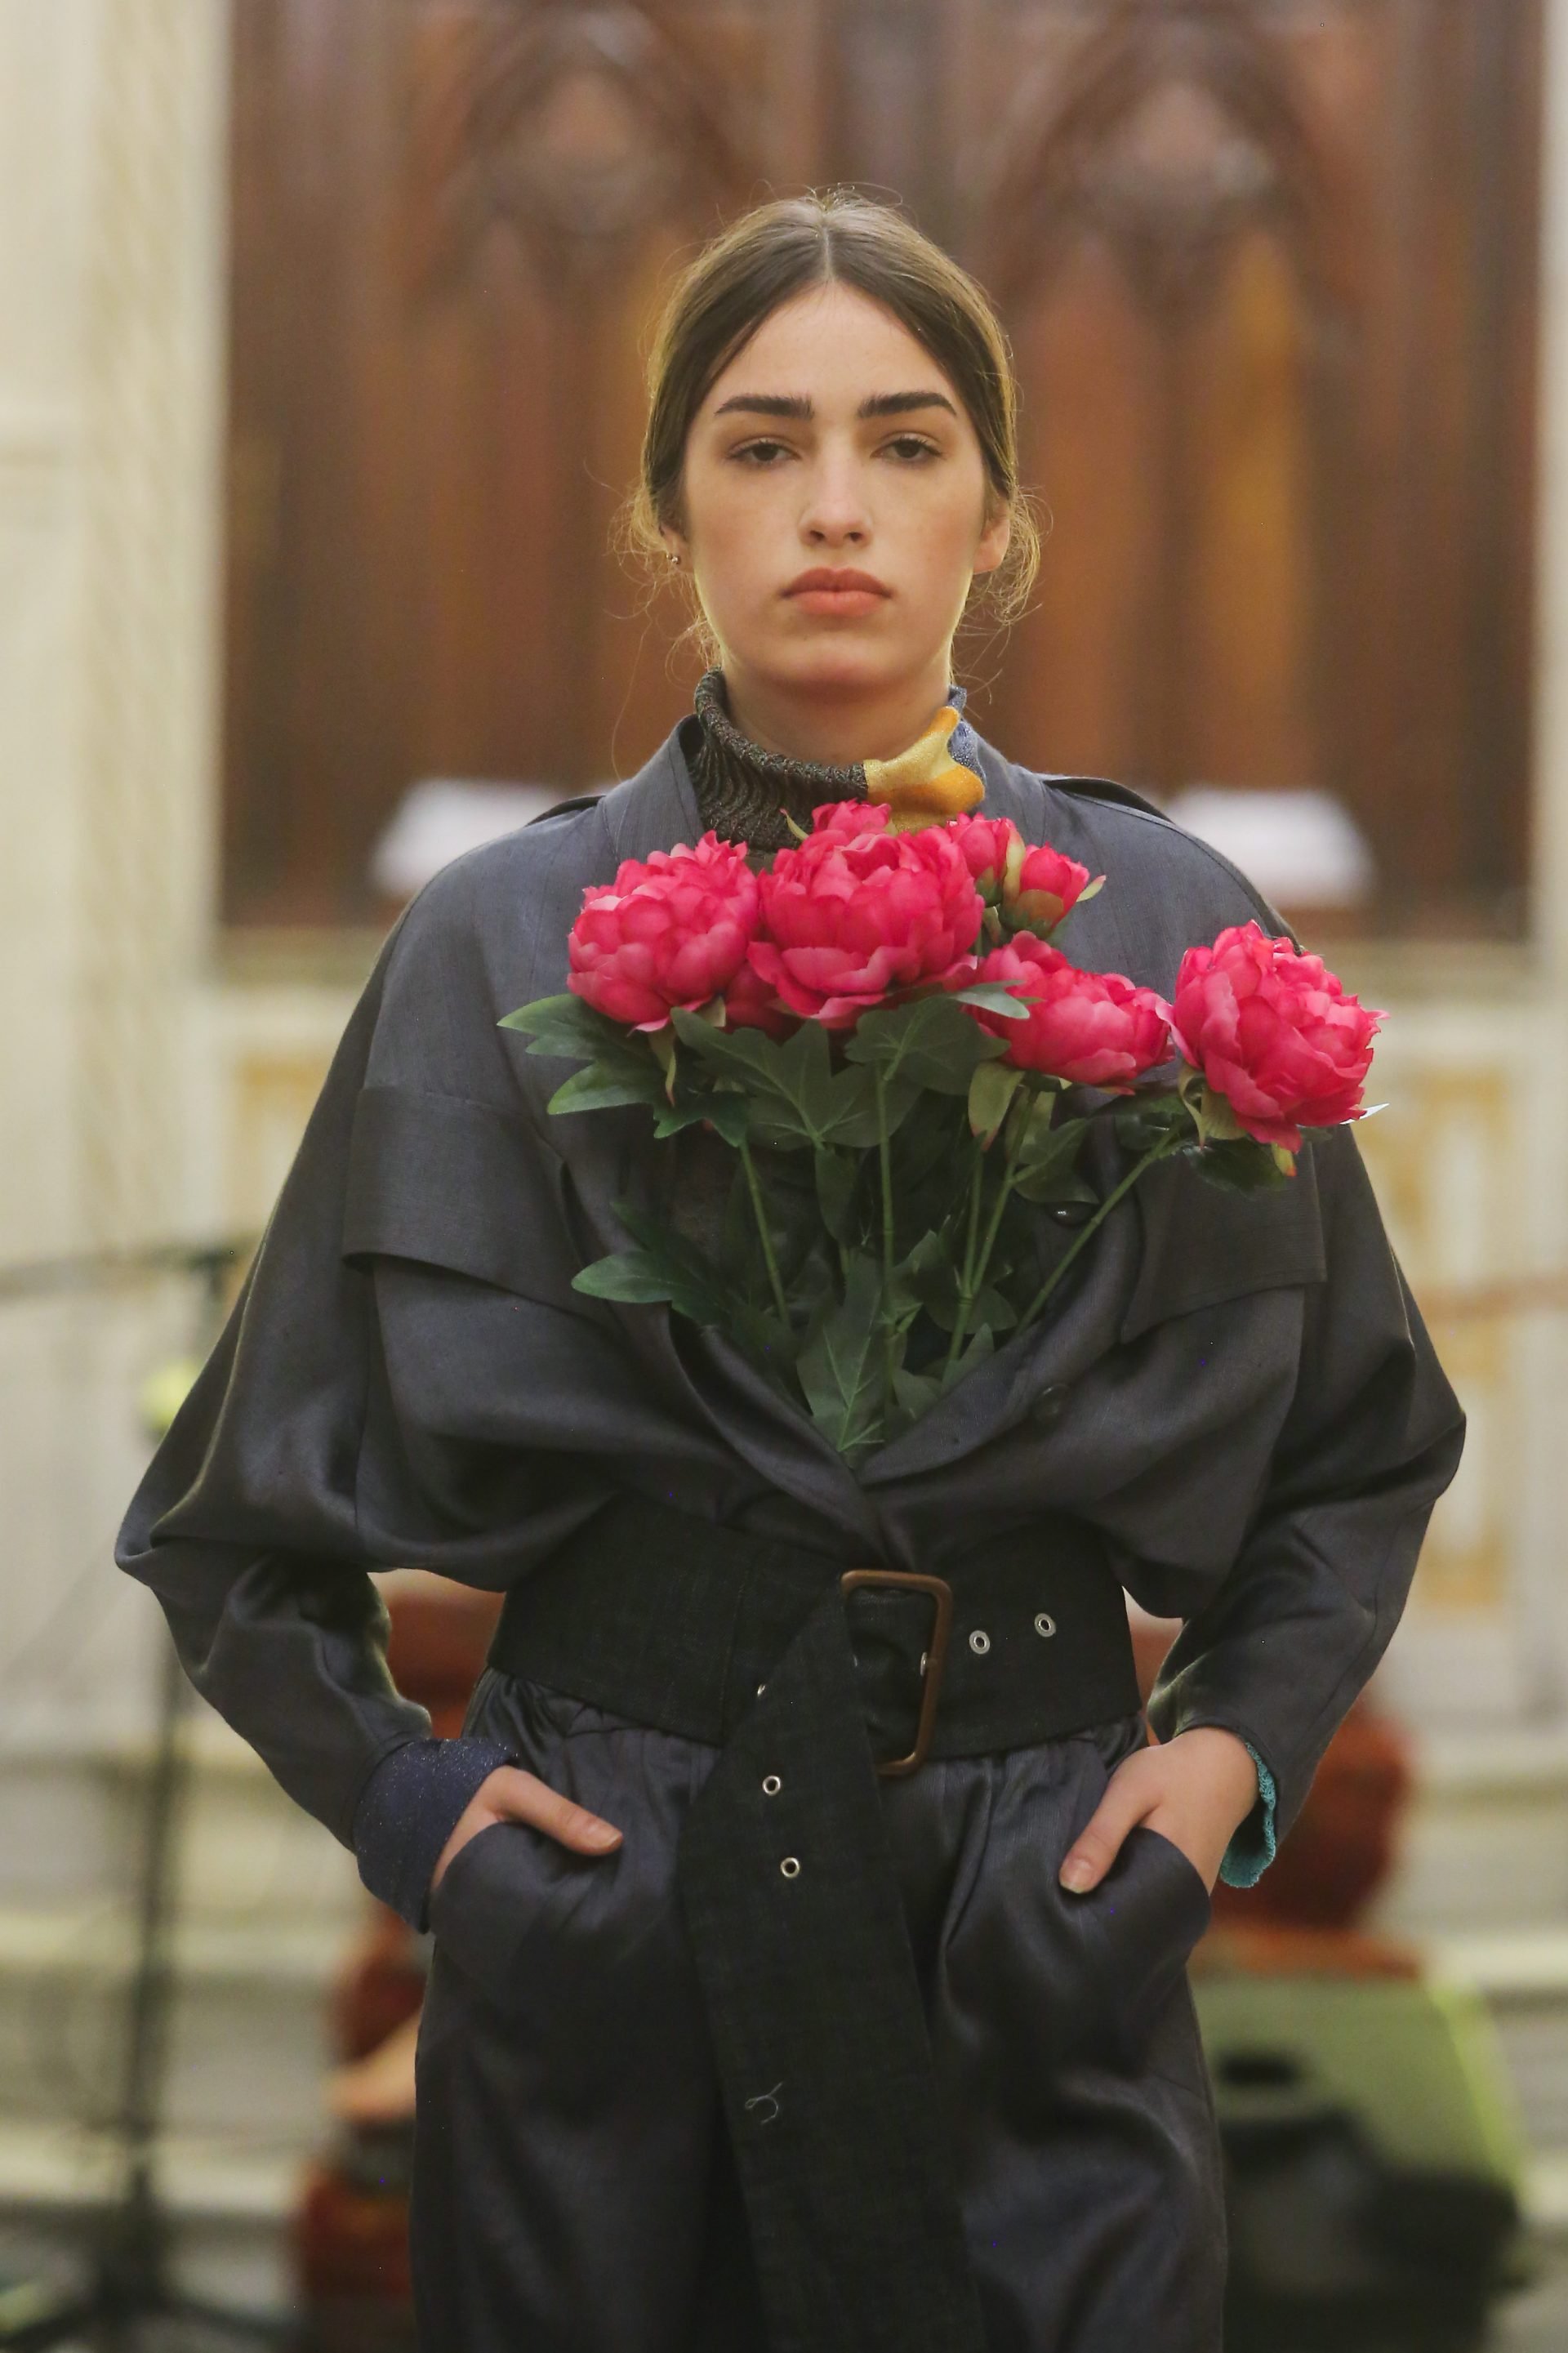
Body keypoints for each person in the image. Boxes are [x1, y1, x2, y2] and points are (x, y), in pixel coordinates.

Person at [117, 190, 1463, 2353]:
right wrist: (419, 1808)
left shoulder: (1172, 928)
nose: (834, 505)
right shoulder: (488, 948)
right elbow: (228, 1526)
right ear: (673, 508)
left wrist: (1226, 1760)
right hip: (612, 1907)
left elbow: (1362, 1452)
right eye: (762, 444)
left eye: (905, 443)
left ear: (996, 516)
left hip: (1039, 1912)